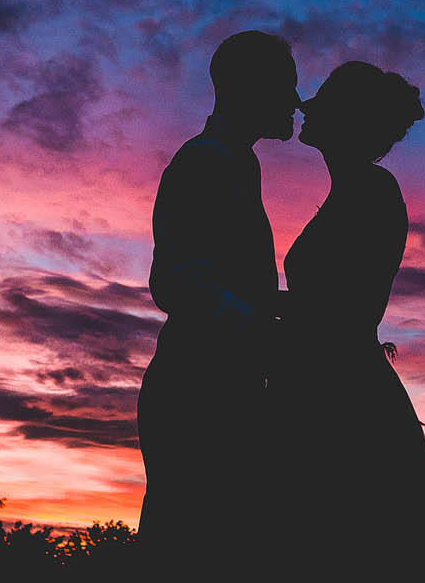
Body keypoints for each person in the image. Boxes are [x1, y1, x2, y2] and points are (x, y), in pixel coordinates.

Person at [272, 61, 425, 581]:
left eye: (323, 99)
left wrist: (247, 304)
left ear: (346, 119)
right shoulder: (350, 191)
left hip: (339, 388)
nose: (305, 105)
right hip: (317, 376)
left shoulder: (371, 192)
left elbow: (345, 310)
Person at [135, 30, 299, 579]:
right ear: (250, 88)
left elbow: (227, 279)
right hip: (196, 392)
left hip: (224, 386)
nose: (296, 100)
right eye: (286, 85)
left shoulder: (238, 163)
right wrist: (260, 325)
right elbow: (176, 281)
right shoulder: (205, 161)